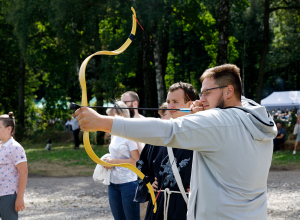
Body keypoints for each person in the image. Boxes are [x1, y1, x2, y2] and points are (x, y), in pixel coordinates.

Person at [75, 64, 277, 220]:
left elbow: (168, 130)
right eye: (200, 93)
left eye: (207, 92)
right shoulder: (256, 119)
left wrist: (102, 122)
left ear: (229, 91)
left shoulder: (220, 122)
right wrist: (204, 113)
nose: (202, 98)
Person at [135, 83, 196, 220]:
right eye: (168, 101)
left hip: (187, 205)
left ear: (190, 104)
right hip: (159, 202)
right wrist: (149, 182)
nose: (170, 106)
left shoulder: (200, 134)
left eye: (176, 102)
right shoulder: (160, 134)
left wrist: (203, 187)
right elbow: (142, 164)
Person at [104, 101, 140, 220]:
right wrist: (107, 162)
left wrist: (112, 161)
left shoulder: (129, 134)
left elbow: (136, 161)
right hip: (113, 183)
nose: (108, 120)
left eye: (111, 117)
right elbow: (116, 154)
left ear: (120, 116)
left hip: (129, 183)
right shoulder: (114, 134)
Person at [0, 112, 28, 220]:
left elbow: (23, 172)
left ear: (9, 129)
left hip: (8, 195)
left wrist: (20, 197)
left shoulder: (16, 148)